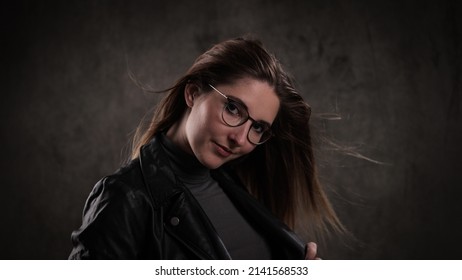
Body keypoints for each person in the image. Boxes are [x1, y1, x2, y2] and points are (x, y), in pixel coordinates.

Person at [69, 36, 343, 260]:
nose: (240, 139)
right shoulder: (123, 199)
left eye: (257, 128)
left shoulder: (237, 183)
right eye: (233, 109)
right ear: (193, 93)